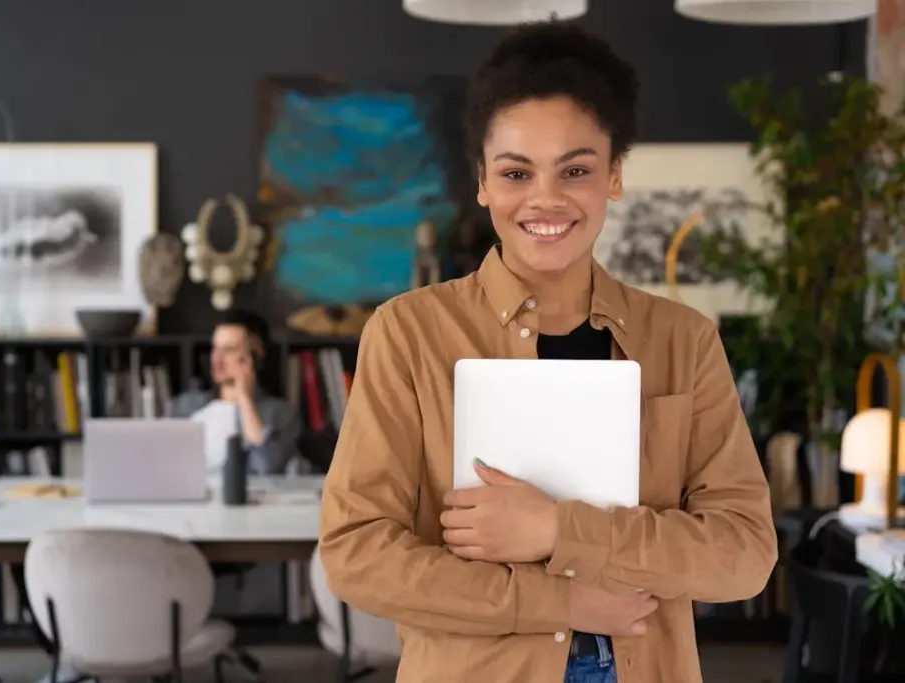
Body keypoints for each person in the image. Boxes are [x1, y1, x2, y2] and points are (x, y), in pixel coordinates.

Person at [318, 20, 777, 683]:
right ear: (481, 179)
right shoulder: (408, 334)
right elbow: (356, 553)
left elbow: (744, 553)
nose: (545, 198)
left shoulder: (684, 340)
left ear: (614, 176)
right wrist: (558, 599)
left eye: (577, 170)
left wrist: (559, 529)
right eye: (515, 171)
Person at [169, 309, 301, 475]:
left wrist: (244, 398)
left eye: (229, 350)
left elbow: (265, 469)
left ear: (255, 355)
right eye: (215, 348)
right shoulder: (185, 406)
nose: (217, 359)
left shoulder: (281, 414)